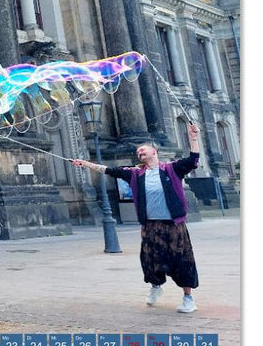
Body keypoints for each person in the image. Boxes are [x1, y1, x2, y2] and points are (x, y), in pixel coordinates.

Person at [74, 123, 202, 313]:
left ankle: (188, 298)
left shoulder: (172, 169)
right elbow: (109, 170)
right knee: (149, 259)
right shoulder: (135, 173)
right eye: (138, 151)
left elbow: (192, 160)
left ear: (154, 151)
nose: (139, 151)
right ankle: (156, 286)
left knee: (182, 260)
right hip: (150, 225)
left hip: (173, 224)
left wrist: (193, 138)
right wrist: (85, 163)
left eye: (143, 149)